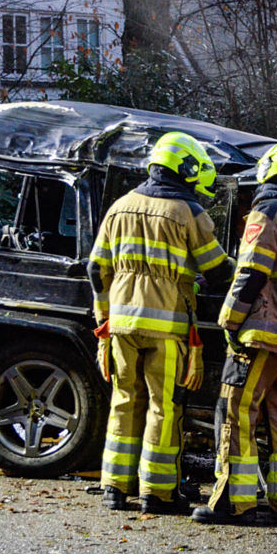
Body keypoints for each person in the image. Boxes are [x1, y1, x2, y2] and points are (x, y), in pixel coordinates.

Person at [89, 132, 233, 514]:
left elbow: (95, 268)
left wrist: (104, 316)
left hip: (121, 324)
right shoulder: (188, 212)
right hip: (167, 329)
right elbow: (218, 271)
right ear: (184, 168)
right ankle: (157, 492)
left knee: (124, 402)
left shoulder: (120, 206)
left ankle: (114, 489)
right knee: (163, 407)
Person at [192, 141, 277, 525]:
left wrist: (229, 321)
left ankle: (233, 501)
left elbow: (251, 273)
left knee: (236, 410)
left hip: (261, 333)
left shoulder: (268, 211)